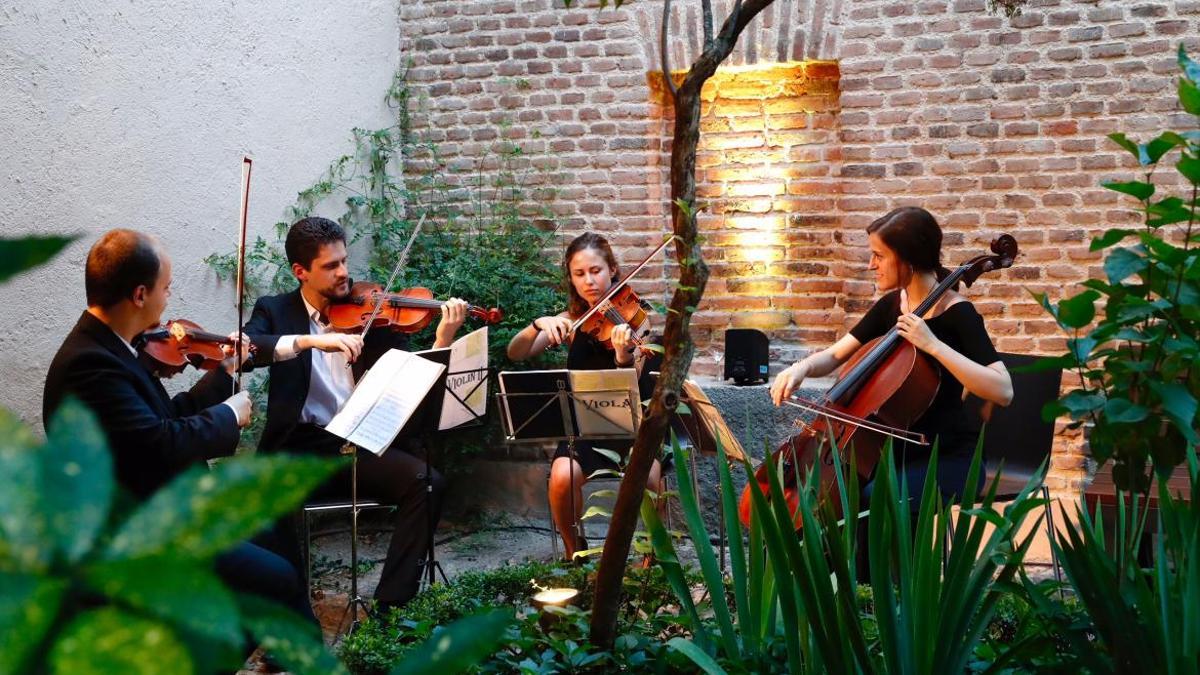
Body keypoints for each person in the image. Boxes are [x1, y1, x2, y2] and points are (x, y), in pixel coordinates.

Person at [42, 228, 317, 638]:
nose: (169, 298)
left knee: (274, 536)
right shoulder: (90, 366)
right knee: (273, 581)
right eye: (166, 288)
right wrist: (227, 415)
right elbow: (162, 442)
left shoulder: (116, 347)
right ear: (139, 295)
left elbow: (165, 418)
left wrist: (226, 373)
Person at [242, 216, 467, 611]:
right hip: (300, 449)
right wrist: (313, 340)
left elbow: (409, 373)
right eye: (331, 266)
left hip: (358, 444)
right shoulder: (275, 310)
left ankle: (390, 611)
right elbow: (248, 348)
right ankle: (291, 620)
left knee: (427, 483)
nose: (344, 273)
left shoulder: (371, 311)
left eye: (344, 261)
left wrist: (442, 339)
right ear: (301, 272)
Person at [769, 206, 1013, 504]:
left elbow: (1003, 390)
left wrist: (933, 345)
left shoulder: (958, 313)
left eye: (880, 255)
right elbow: (835, 356)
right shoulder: (891, 306)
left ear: (908, 260)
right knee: (833, 498)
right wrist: (800, 368)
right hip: (890, 454)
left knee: (874, 500)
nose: (872, 264)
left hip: (947, 459)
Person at [507, 232, 666, 561]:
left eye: (596, 271)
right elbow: (516, 353)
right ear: (571, 279)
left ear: (612, 270)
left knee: (649, 478)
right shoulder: (571, 322)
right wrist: (539, 324)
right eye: (580, 274)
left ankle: (654, 556)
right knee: (562, 478)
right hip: (585, 429)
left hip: (634, 426)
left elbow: (635, 377)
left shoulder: (637, 317)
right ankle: (574, 551)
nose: (589, 281)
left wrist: (623, 356)